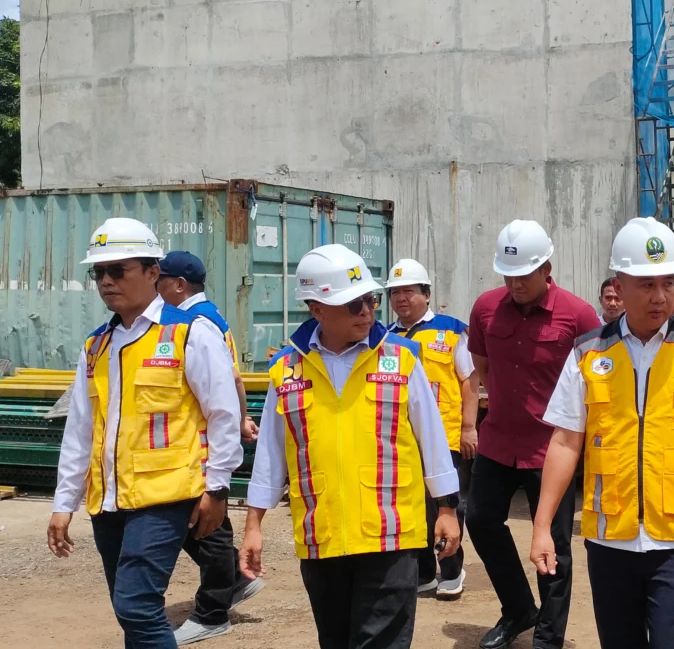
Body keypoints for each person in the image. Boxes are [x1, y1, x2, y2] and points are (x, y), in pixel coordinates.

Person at [239, 244, 461, 649]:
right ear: (317, 308)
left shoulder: (402, 359)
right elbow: (270, 456)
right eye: (353, 303)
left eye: (370, 300)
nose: (367, 311)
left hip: (391, 535)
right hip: (321, 535)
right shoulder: (285, 371)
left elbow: (433, 440)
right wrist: (253, 525)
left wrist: (447, 508)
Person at [532, 217, 674, 649]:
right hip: (611, 540)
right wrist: (542, 525)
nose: (660, 297)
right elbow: (566, 442)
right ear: (619, 284)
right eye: (646, 284)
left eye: (669, 283)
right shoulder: (588, 354)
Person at [48, 218, 243, 648]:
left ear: (153, 272)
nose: (106, 281)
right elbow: (81, 429)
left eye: (118, 270)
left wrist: (218, 486)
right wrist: (65, 502)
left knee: (137, 604)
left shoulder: (189, 332)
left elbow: (224, 414)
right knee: (130, 612)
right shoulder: (96, 346)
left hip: (165, 496)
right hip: (109, 501)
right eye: (98, 272)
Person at [467, 219, 601, 649]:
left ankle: (548, 638)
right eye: (508, 275)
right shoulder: (486, 307)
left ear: (546, 267)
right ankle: (518, 609)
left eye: (524, 274)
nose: (515, 284)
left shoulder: (578, 315)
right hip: (498, 441)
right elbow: (482, 368)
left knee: (555, 546)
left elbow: (598, 380)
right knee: (482, 521)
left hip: (551, 449)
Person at [155, 251, 265, 644]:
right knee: (196, 524)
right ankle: (234, 580)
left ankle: (213, 610)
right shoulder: (208, 318)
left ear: (179, 285)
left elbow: (228, 380)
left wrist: (237, 421)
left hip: (199, 444)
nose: (155, 286)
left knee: (206, 526)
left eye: (160, 279)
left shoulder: (196, 324)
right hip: (194, 441)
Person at [384, 257, 479, 600]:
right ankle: (424, 572)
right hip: (404, 441)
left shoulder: (451, 330)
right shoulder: (385, 337)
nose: (400, 299)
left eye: (408, 291)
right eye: (394, 293)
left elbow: (470, 381)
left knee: (448, 505)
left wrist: (469, 427)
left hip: (449, 436)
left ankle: (452, 570)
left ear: (426, 294)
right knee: (414, 508)